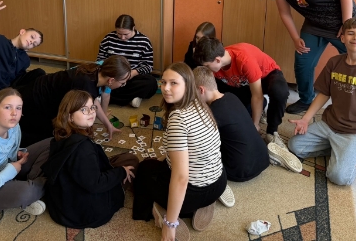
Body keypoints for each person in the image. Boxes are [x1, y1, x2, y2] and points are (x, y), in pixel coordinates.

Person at [288, 18, 356, 186]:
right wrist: (305, 119)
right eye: (350, 33)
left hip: (354, 131)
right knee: (295, 146)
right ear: (342, 38)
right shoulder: (334, 62)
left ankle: (355, 147)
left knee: (339, 177)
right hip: (329, 124)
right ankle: (339, 149)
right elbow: (324, 94)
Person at [133, 63, 227, 241]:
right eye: (163, 82)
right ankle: (204, 204)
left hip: (193, 194)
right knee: (159, 163)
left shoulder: (178, 117)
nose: (166, 88)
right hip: (219, 184)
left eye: (173, 83)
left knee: (144, 169)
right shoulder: (200, 104)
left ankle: (172, 212)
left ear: (188, 85)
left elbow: (181, 178)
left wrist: (170, 225)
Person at [272, 0, 356, 115]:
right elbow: (285, 14)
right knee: (303, 60)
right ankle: (306, 100)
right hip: (315, 25)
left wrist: (347, 25)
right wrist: (295, 38)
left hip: (342, 23)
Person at [194, 39, 300, 173]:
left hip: (266, 76)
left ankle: (272, 133)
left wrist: (255, 125)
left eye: (207, 66)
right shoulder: (215, 63)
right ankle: (262, 107)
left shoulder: (244, 60)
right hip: (241, 83)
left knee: (279, 92)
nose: (206, 70)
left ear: (217, 60)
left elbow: (257, 95)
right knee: (239, 116)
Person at [43, 90, 139, 229]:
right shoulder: (83, 148)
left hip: (63, 202)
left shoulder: (62, 134)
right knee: (131, 162)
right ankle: (122, 186)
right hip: (83, 213)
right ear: (70, 117)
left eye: (92, 107)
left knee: (125, 158)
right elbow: (95, 184)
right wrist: (122, 172)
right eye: (84, 110)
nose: (91, 112)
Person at [16, 56, 131, 147]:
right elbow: (71, 116)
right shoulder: (85, 85)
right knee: (53, 140)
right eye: (122, 83)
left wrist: (107, 124)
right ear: (111, 80)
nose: (123, 85)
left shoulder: (97, 70)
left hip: (37, 91)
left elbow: (93, 100)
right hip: (32, 103)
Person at [193, 66, 271, 183]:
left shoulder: (212, 114)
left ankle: (216, 184)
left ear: (201, 90)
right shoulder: (231, 96)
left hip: (239, 171)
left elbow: (198, 143)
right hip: (263, 158)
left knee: (199, 153)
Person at [96, 14, 157, 108]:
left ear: (133, 28)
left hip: (131, 76)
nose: (122, 38)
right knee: (93, 80)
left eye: (126, 34)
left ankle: (105, 98)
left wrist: (131, 74)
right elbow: (100, 60)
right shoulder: (108, 39)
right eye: (119, 34)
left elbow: (148, 66)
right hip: (112, 76)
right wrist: (110, 74)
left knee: (151, 83)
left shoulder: (144, 41)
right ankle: (130, 99)